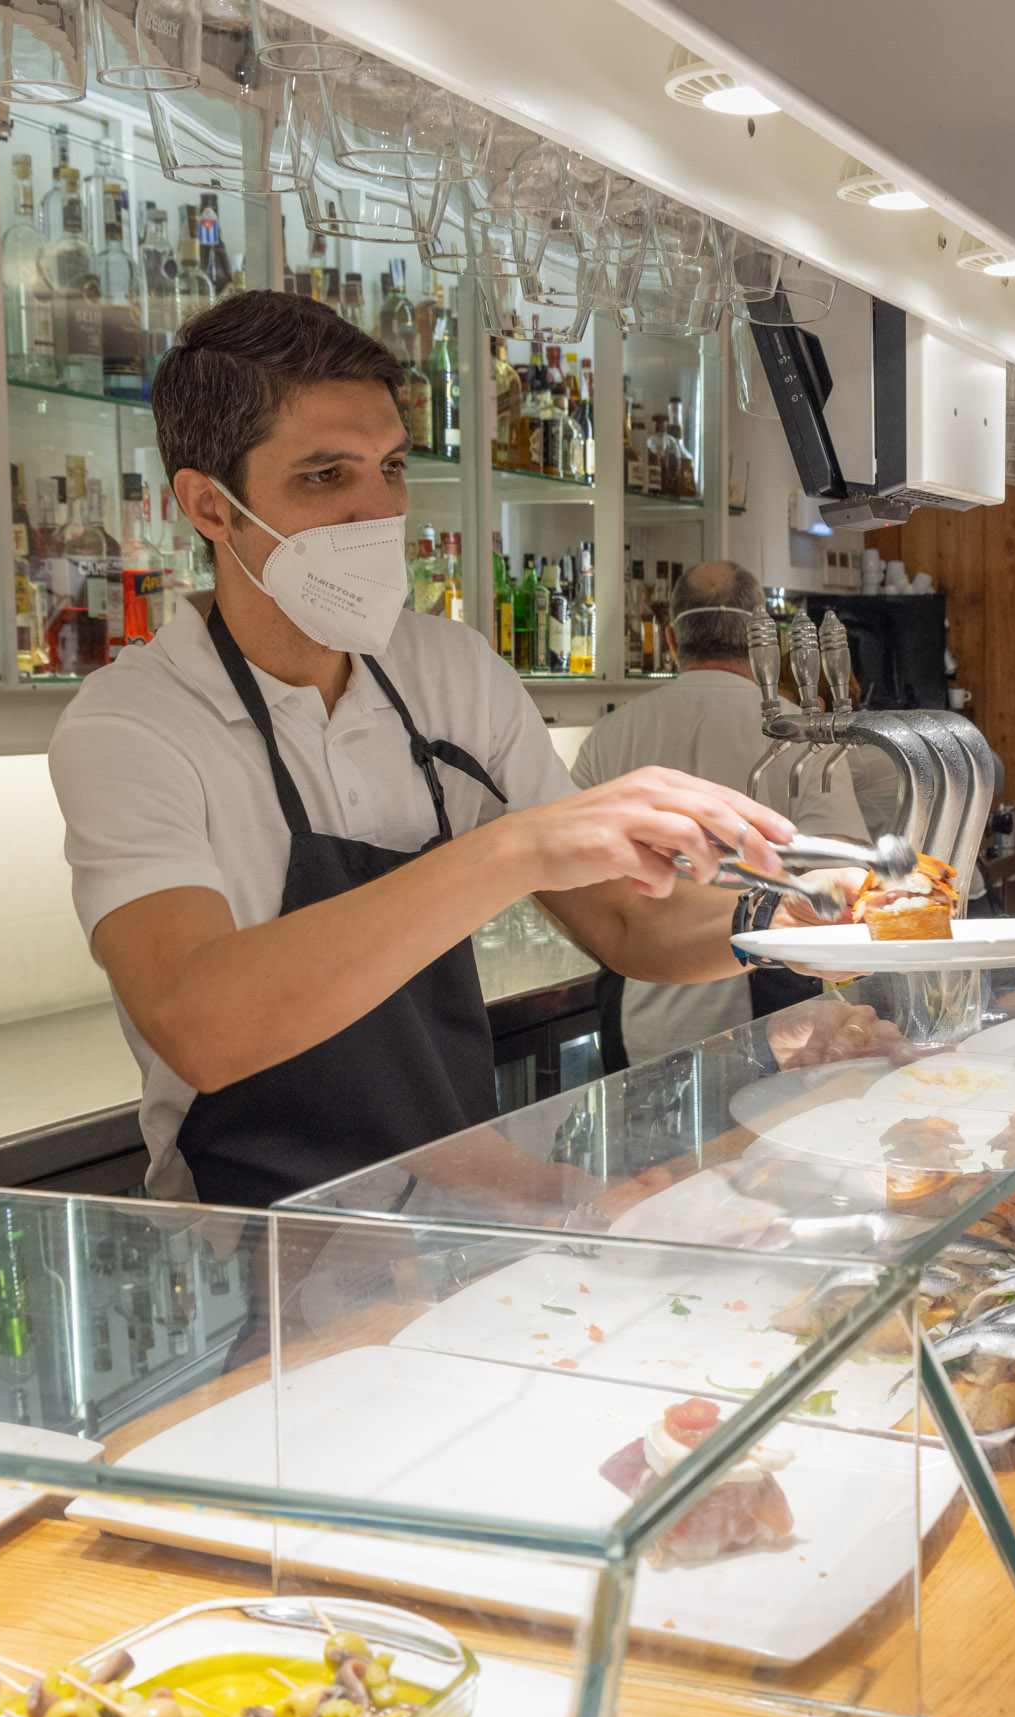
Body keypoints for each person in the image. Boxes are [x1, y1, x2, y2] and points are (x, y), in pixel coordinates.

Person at [47, 292, 821, 1208]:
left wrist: (806, 921)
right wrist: (518, 846)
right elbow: (201, 1025)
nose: (381, 514)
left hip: (459, 1212)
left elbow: (626, 923)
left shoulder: (451, 670)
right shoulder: (132, 723)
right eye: (327, 477)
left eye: (391, 468)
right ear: (210, 505)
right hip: (246, 1247)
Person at [571, 560, 871, 1066]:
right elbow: (839, 870)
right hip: (776, 1005)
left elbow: (574, 879)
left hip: (640, 998)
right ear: (767, 641)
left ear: (670, 639)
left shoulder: (611, 734)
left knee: (648, 1141)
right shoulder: (800, 732)